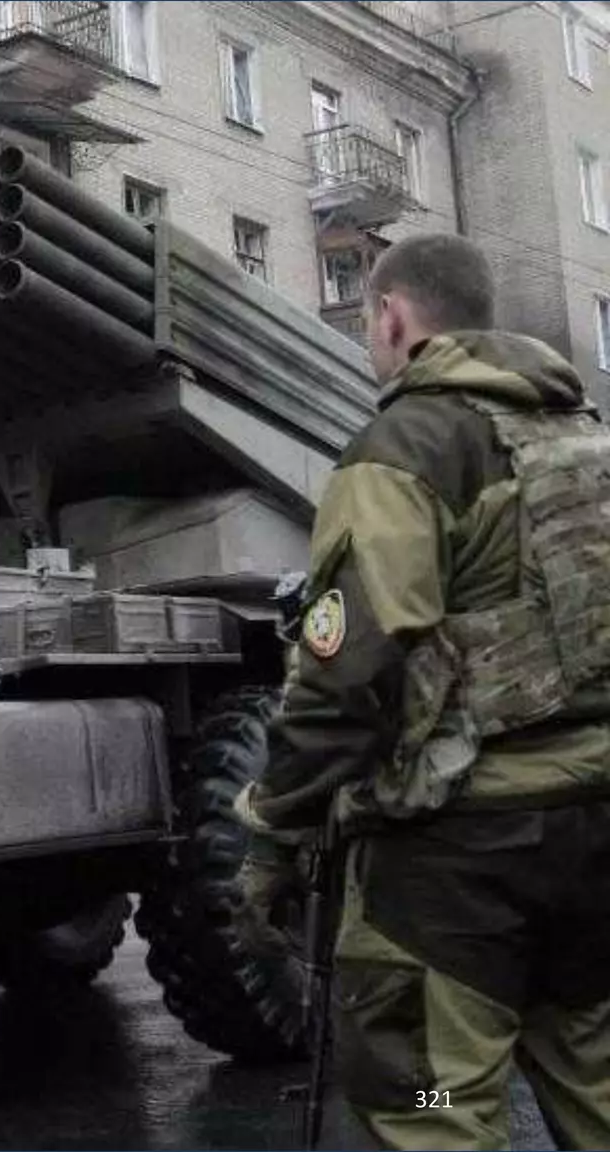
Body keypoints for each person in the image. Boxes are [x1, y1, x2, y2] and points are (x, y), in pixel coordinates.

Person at [234, 233, 610, 1150]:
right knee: (595, 1087)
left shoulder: (405, 448)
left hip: (455, 868)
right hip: (595, 841)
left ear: (393, 316)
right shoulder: (589, 440)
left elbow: (348, 676)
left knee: (430, 1102)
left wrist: (271, 836)